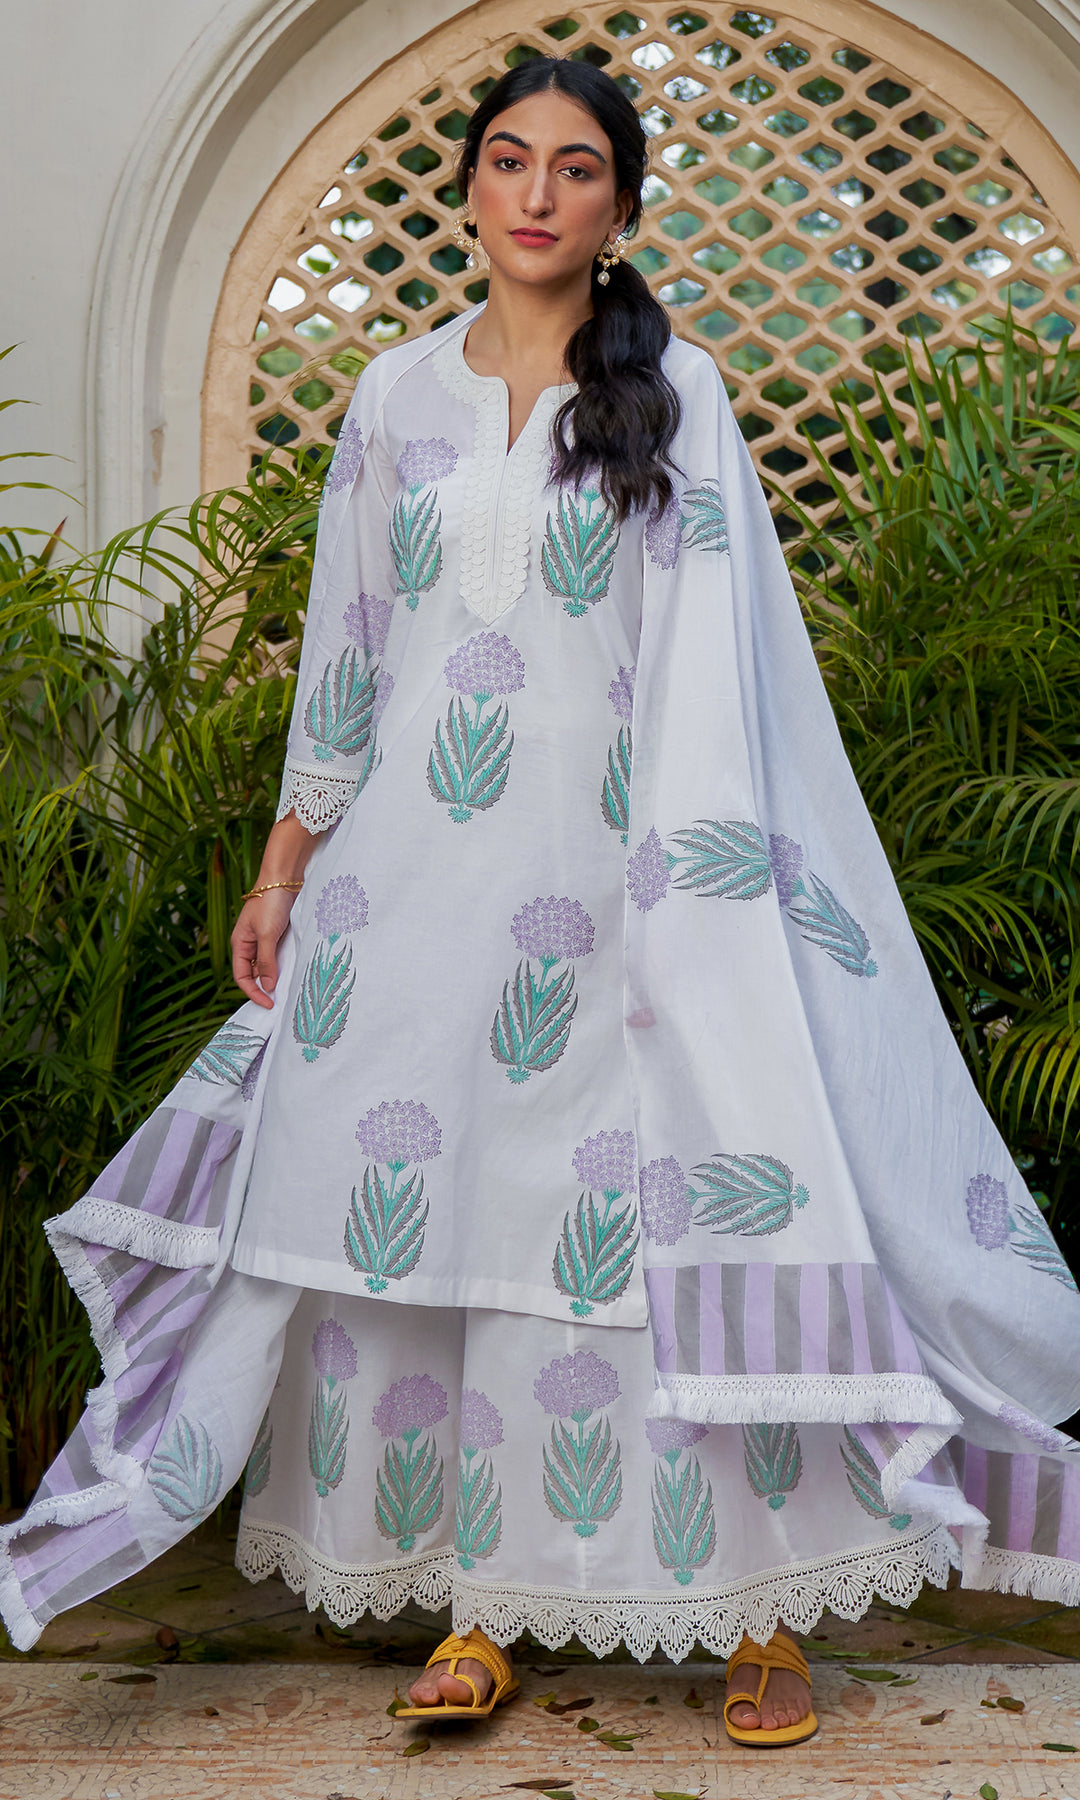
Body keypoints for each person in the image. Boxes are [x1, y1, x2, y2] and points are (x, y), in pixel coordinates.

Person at [3, 54, 1080, 1753]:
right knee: (458, 1235)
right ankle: (487, 1603)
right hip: (416, 901)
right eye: (508, 159)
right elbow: (348, 654)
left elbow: (722, 662)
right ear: (470, 186)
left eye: (576, 168)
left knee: (659, 1230)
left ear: (620, 208)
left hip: (628, 893)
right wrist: (285, 872)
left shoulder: (678, 394)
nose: (535, 193)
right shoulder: (393, 399)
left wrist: (692, 902)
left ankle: (764, 1611)